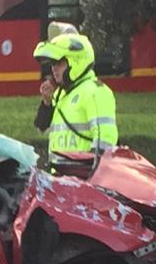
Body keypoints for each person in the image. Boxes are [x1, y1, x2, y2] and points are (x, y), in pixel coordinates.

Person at [32, 30, 117, 168]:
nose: (54, 69)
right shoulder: (62, 93)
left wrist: (91, 176)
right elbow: (41, 126)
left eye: (59, 63)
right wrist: (47, 103)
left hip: (82, 180)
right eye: (52, 64)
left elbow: (105, 142)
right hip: (61, 180)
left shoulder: (95, 91)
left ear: (76, 62)